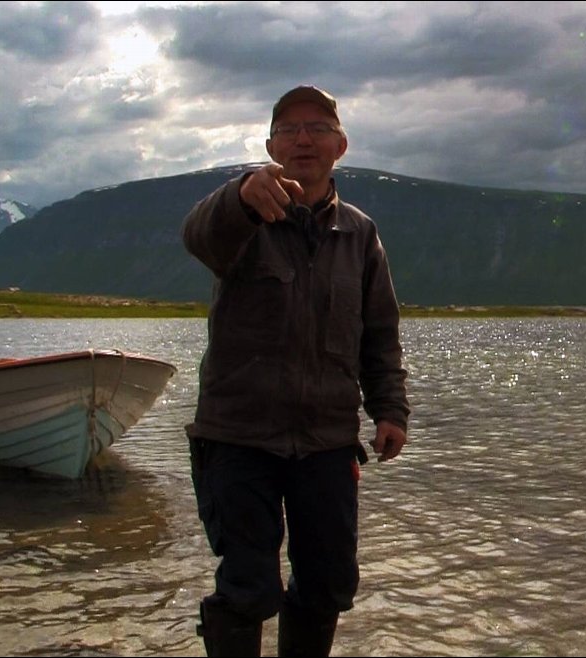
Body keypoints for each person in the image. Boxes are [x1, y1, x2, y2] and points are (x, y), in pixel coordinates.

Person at [182, 85, 411, 657]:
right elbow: (199, 236)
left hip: (328, 443)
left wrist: (390, 410)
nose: (303, 139)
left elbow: (380, 333)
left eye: (317, 128)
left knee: (328, 585)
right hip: (238, 439)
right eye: (289, 129)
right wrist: (237, 197)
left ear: (340, 145)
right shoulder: (241, 215)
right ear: (270, 145)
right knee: (247, 588)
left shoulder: (360, 234)